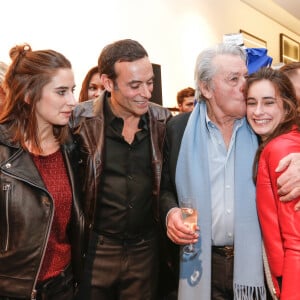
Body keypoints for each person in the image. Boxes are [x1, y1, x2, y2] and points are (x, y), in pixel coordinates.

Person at [160, 43, 267, 299]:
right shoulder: (178, 130)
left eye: (246, 77)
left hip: (255, 262)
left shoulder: (261, 126)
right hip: (201, 262)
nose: (245, 85)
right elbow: (164, 188)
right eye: (233, 79)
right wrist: (171, 213)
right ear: (206, 88)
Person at [70, 39, 172, 300]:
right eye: (135, 85)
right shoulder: (78, 121)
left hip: (146, 249)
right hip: (97, 248)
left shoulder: (163, 121)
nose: (147, 93)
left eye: (150, 82)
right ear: (107, 83)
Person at [0, 44, 85, 300]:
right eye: (61, 92)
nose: (72, 101)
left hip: (64, 286)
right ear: (28, 94)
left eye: (72, 90)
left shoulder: (73, 148)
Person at [246, 67, 300, 299]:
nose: (258, 112)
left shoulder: (281, 148)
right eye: (251, 102)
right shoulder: (278, 141)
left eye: (269, 103)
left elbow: (297, 242)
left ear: (287, 106)